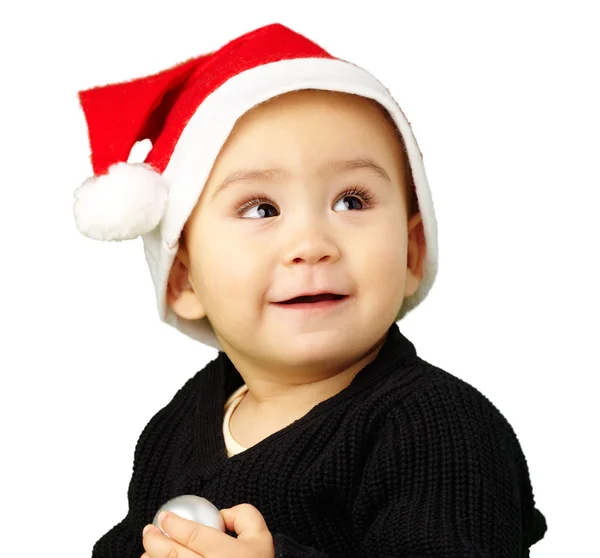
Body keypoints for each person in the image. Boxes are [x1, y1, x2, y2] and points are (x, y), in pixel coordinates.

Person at [73, 22, 547, 558]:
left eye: (352, 201)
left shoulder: (438, 428)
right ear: (183, 279)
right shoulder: (177, 426)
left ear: (413, 252)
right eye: (261, 209)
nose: (311, 243)